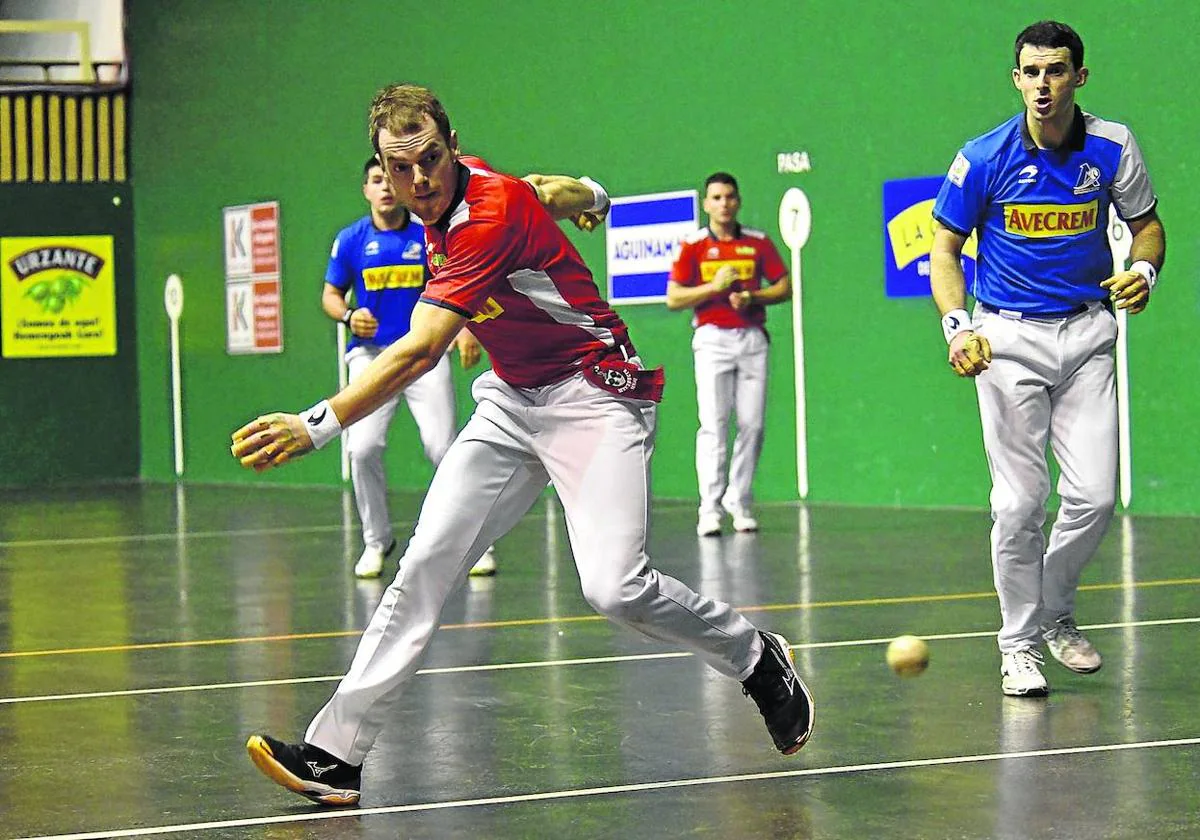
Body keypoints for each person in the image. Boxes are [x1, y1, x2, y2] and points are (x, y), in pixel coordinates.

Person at [231, 83, 814, 807]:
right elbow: (546, 188)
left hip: (595, 396)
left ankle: (755, 657)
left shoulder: (488, 212)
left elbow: (419, 350)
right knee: (425, 565)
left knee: (614, 588)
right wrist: (595, 196)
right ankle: (336, 755)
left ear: (450, 146)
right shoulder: (472, 194)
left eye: (431, 160)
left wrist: (316, 423)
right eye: (400, 167)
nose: (420, 181)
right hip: (513, 402)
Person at [930, 20, 1165, 697]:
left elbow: (1147, 226)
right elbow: (945, 250)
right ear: (1016, 79)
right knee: (1018, 504)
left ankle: (1055, 608)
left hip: (1088, 334)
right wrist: (956, 328)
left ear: (1079, 77)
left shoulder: (1113, 147)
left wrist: (1144, 272)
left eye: (1056, 70)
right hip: (1006, 340)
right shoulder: (982, 158)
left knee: (1093, 496)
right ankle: (1019, 643)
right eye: (1031, 72)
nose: (1043, 84)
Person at [323, 157, 495, 579]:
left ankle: (475, 543)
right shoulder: (349, 241)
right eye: (376, 180)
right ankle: (376, 541)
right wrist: (347, 316)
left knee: (443, 447)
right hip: (370, 357)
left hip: (423, 354)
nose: (384, 187)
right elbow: (330, 295)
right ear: (365, 189)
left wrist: (465, 331)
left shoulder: (426, 234)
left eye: (389, 179)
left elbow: (455, 287)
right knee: (361, 448)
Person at [666, 173, 791, 538]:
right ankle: (709, 507)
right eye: (717, 197)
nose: (724, 203)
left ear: (738, 201)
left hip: (752, 339)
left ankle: (740, 500)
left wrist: (754, 297)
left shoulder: (757, 243)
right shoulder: (693, 246)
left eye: (730, 197)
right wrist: (712, 287)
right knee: (714, 426)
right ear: (706, 204)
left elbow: (784, 285)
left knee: (752, 425)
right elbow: (674, 297)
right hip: (712, 340)